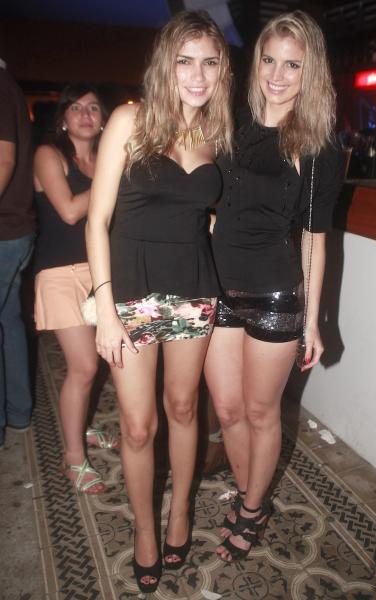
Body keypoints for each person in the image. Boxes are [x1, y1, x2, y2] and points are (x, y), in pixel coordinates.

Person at [85, 10, 232, 593]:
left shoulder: (217, 133)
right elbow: (97, 220)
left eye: (209, 62)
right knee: (138, 426)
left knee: (184, 408)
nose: (197, 75)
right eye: (184, 60)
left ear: (221, 70)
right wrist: (105, 310)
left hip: (194, 289)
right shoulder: (131, 119)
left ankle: (180, 511)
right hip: (131, 292)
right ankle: (145, 528)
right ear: (164, 65)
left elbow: (208, 215)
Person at [205, 10, 343, 562]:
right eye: (270, 60)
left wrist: (312, 320)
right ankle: (250, 492)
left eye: (293, 65)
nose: (278, 75)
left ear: (310, 73)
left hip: (274, 295)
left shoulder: (316, 146)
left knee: (261, 412)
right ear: (256, 61)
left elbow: (313, 238)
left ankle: (252, 508)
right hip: (217, 286)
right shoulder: (230, 123)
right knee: (228, 410)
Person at [33, 83, 116, 494]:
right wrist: (112, 175)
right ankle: (73, 458)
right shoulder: (48, 154)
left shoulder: (104, 158)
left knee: (99, 360)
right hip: (60, 273)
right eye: (76, 107)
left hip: (101, 270)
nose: (85, 115)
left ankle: (80, 426)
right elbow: (68, 211)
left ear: (103, 120)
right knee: (83, 367)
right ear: (63, 117)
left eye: (94, 108)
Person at [0, 58, 35, 449]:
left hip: (5, 230)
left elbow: (4, 160)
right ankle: (19, 411)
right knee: (8, 319)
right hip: (15, 228)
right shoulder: (8, 84)